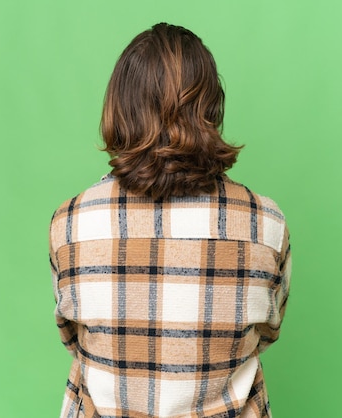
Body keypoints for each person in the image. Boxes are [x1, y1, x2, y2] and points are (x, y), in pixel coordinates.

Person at [48, 22, 292, 417]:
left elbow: (73, 336)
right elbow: (266, 332)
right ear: (211, 108)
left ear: (119, 109)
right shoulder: (266, 225)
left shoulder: (70, 224)